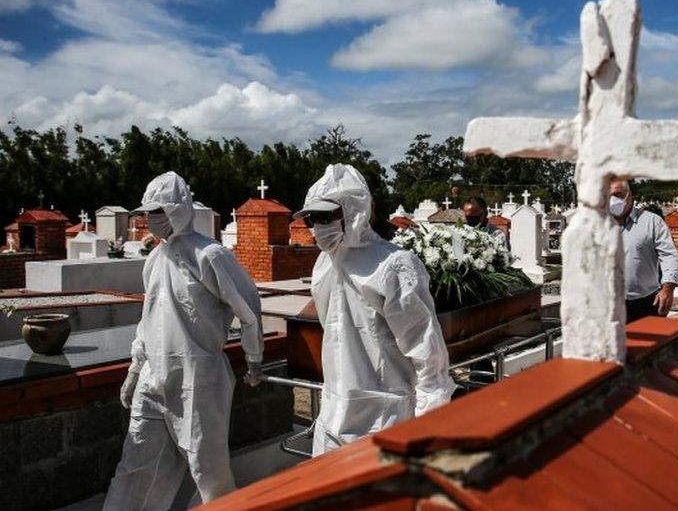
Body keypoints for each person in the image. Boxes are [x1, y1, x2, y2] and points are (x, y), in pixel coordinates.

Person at [106, 172, 264, 508]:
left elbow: (247, 304)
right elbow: (148, 320)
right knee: (136, 465)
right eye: (149, 213)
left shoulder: (210, 255)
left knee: (209, 472)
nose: (152, 220)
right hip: (153, 379)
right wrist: (135, 370)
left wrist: (254, 356)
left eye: (159, 212)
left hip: (199, 380)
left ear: (179, 209)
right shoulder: (153, 260)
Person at [296, 164, 455, 455]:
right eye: (312, 219)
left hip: (384, 420)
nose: (318, 226)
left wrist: (429, 427)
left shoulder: (393, 266)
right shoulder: (324, 265)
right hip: (331, 416)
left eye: (326, 216)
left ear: (354, 209)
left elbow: (427, 353)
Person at [608, 177, 678, 323]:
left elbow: (669, 256)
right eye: (608, 195)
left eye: (618, 195)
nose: (612, 200)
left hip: (645, 303)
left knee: (647, 345)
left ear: (630, 195)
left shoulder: (652, 222)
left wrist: (668, 289)